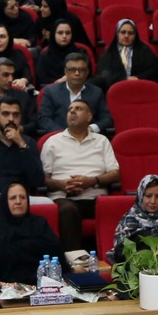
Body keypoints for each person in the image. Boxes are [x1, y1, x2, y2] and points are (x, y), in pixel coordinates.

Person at [40, 98, 120, 251]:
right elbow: (43, 179)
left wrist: (92, 181)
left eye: (78, 109)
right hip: (64, 198)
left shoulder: (102, 141)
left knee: (113, 207)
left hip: (95, 197)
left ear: (89, 117)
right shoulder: (52, 142)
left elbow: (115, 174)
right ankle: (74, 258)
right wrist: (62, 184)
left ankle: (111, 257)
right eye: (70, 109)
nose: (72, 111)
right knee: (68, 210)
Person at [36, 52, 112, 136]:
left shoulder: (96, 92)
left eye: (81, 70)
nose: (77, 73)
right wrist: (64, 134)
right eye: (72, 70)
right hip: (60, 137)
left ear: (87, 72)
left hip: (89, 137)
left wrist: (91, 128)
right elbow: (43, 119)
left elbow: (107, 118)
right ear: (65, 71)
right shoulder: (51, 91)